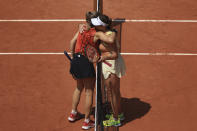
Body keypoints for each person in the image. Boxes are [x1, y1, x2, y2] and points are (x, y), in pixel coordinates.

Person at [67, 12, 117, 130]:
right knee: (89, 92)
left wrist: (73, 57)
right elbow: (110, 40)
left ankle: (73, 114)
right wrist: (114, 31)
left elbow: (72, 42)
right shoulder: (97, 33)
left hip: (76, 60)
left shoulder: (82, 29)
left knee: (78, 88)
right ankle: (86, 121)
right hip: (86, 63)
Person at [91, 14, 126, 127]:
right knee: (115, 91)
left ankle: (116, 119)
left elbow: (114, 54)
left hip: (111, 65)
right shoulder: (108, 32)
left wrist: (104, 57)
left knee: (112, 93)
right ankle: (119, 114)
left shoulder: (109, 35)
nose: (94, 26)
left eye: (97, 25)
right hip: (110, 64)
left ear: (103, 26)